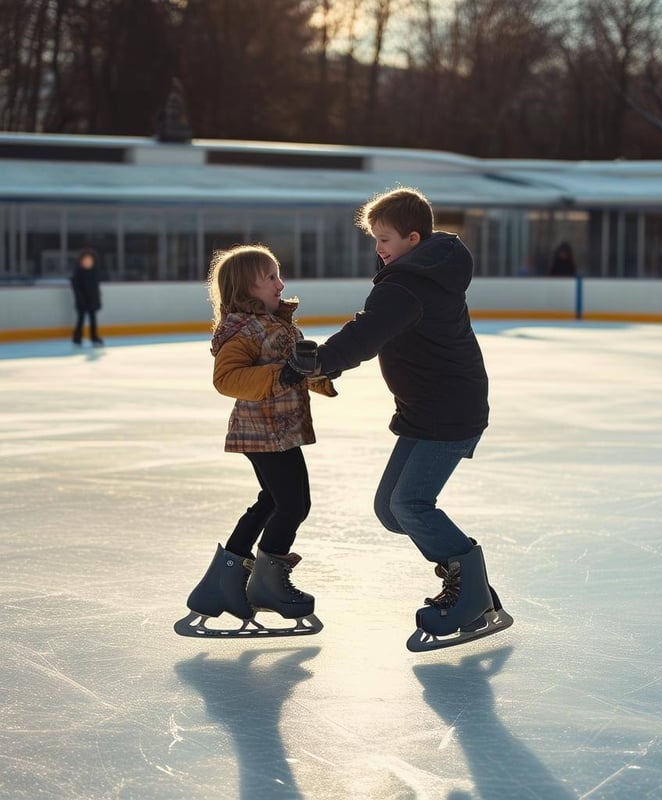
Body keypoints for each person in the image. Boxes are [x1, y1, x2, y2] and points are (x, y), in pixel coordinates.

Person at [304, 187, 513, 651]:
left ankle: (469, 587)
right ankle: (474, 584)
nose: (378, 248)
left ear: (413, 238)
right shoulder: (416, 275)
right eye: (374, 239)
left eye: (384, 239)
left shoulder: (409, 285)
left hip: (449, 412)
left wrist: (318, 361)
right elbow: (372, 329)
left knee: (411, 506)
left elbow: (366, 334)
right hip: (428, 411)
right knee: (390, 509)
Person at [174, 244, 336, 638]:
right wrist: (282, 376)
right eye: (270, 278)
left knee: (273, 502)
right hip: (263, 431)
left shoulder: (278, 323)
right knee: (294, 504)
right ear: (246, 287)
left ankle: (222, 582)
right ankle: (267, 582)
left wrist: (320, 373)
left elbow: (293, 366)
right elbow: (226, 379)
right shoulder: (242, 330)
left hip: (280, 430)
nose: (281, 284)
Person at [70, 248, 103, 346]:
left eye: (90, 260)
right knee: (80, 319)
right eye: (85, 260)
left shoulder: (95, 273)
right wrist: (80, 299)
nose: (88, 262)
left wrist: (98, 300)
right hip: (82, 300)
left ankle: (94, 337)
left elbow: (96, 288)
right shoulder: (77, 274)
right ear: (81, 261)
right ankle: (77, 338)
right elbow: (76, 288)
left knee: (93, 319)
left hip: (92, 300)